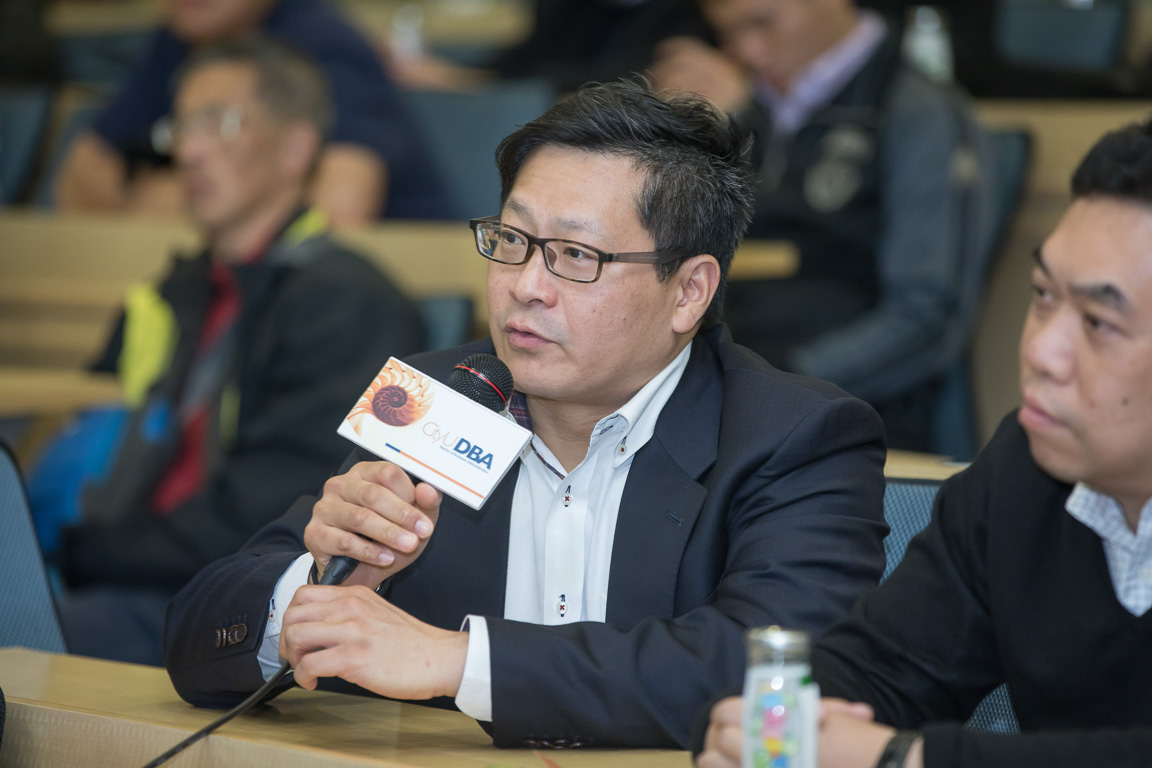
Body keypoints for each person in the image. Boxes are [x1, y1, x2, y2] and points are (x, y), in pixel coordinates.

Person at [163, 80, 890, 749]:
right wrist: (324, 585)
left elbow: (778, 675)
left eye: (575, 255)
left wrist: (460, 662)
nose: (526, 286)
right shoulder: (446, 397)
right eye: (512, 242)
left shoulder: (795, 437)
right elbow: (197, 632)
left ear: (689, 291)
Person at [696, 119, 1152, 768]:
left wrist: (902, 759)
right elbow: (883, 667)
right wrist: (769, 723)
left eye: (1100, 322)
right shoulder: (1024, 468)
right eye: (1043, 296)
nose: (1042, 350)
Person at [53, 38, 426, 666]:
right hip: (120, 572)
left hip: (228, 606)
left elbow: (272, 517)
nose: (190, 151)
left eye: (218, 122)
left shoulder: (349, 301)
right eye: (181, 127)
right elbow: (83, 437)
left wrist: (79, 551)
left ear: (296, 147)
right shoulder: (169, 292)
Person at [649, 0, 993, 451]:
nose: (748, 51)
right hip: (716, 387)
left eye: (762, 22)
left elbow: (927, 318)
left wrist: (776, 382)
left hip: (843, 417)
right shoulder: (742, 105)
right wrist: (688, 134)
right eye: (727, 34)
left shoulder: (917, 111)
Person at [53, 0, 450, 225]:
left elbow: (342, 207)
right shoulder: (178, 39)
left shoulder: (323, 43)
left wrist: (191, 198)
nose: (191, 153)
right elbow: (78, 182)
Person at [388, 0, 709, 95]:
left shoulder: (688, 16)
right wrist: (449, 73)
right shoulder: (563, 7)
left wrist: (464, 81)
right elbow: (525, 58)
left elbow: (613, 81)